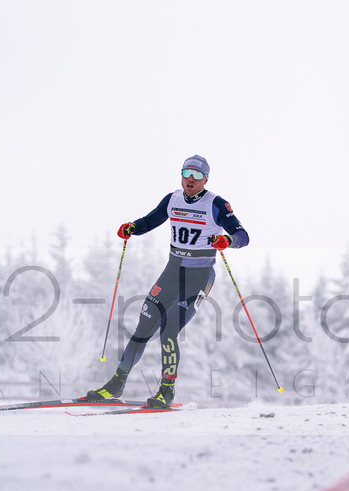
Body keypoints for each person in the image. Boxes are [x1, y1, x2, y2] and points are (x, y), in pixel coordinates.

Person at [87, 155, 250, 408]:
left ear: (206, 179)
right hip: (172, 271)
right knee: (144, 325)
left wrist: (228, 240)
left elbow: (243, 235)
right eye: (186, 173)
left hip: (199, 276)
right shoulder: (172, 199)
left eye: (197, 175)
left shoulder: (216, 204)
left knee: (169, 329)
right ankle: (115, 385)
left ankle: (166, 391)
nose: (190, 179)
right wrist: (132, 227)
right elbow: (150, 220)